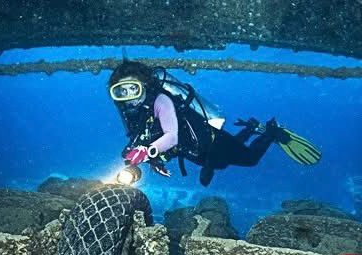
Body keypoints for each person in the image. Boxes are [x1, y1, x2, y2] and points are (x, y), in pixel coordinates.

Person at [107, 60, 321, 186]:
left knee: (250, 159)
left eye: (132, 88)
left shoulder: (162, 101)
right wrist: (154, 160)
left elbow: (171, 136)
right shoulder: (134, 113)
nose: (129, 97)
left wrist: (147, 152)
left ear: (144, 85)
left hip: (212, 142)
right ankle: (250, 128)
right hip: (197, 151)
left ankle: (272, 132)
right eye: (120, 92)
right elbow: (146, 136)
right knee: (223, 161)